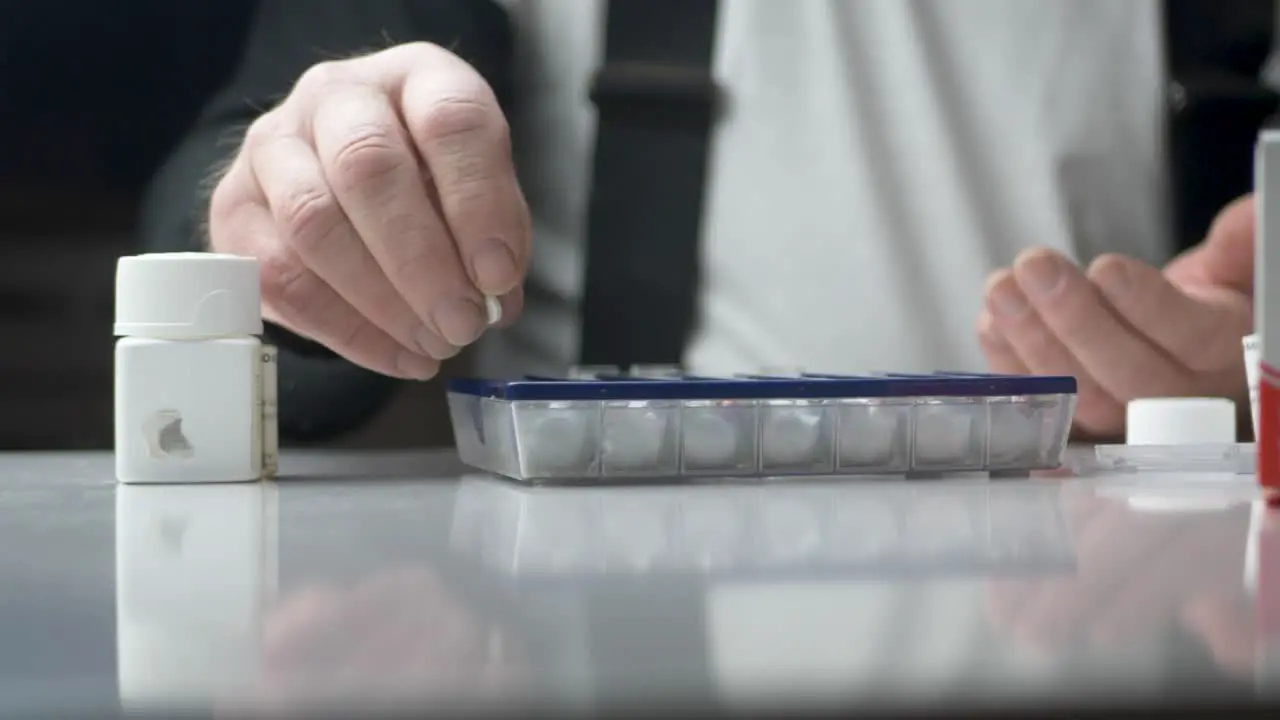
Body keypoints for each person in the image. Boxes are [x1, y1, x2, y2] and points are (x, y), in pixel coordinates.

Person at [140, 0, 1274, 443]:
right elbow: (226, 174)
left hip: (1138, 641)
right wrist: (281, 214)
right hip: (598, 646)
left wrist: (1249, 373)